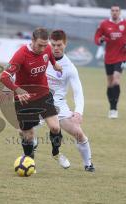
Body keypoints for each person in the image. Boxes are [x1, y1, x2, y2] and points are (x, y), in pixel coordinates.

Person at [0, 27, 67, 169]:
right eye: (39, 45)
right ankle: (30, 162)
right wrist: (17, 90)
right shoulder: (21, 55)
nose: (43, 48)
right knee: (28, 135)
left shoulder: (47, 49)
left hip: (43, 94)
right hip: (24, 99)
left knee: (55, 127)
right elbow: (4, 77)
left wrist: (55, 65)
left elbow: (51, 57)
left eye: (45, 45)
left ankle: (56, 153)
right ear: (32, 41)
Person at [45, 30, 95, 172]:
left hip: (57, 105)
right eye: (53, 44)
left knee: (78, 133)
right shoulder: (42, 57)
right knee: (27, 132)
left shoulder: (70, 67)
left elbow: (78, 91)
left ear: (65, 44)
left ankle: (88, 164)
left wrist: (78, 111)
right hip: (37, 101)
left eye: (59, 45)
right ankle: (29, 158)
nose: (56, 48)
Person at [94, 4, 126, 119]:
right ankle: (111, 107)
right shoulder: (104, 24)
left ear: (120, 12)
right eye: (113, 10)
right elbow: (97, 38)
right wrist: (101, 39)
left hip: (122, 57)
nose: (114, 12)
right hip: (109, 57)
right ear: (110, 12)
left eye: (117, 10)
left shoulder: (125, 23)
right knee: (109, 83)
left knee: (116, 80)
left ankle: (114, 109)